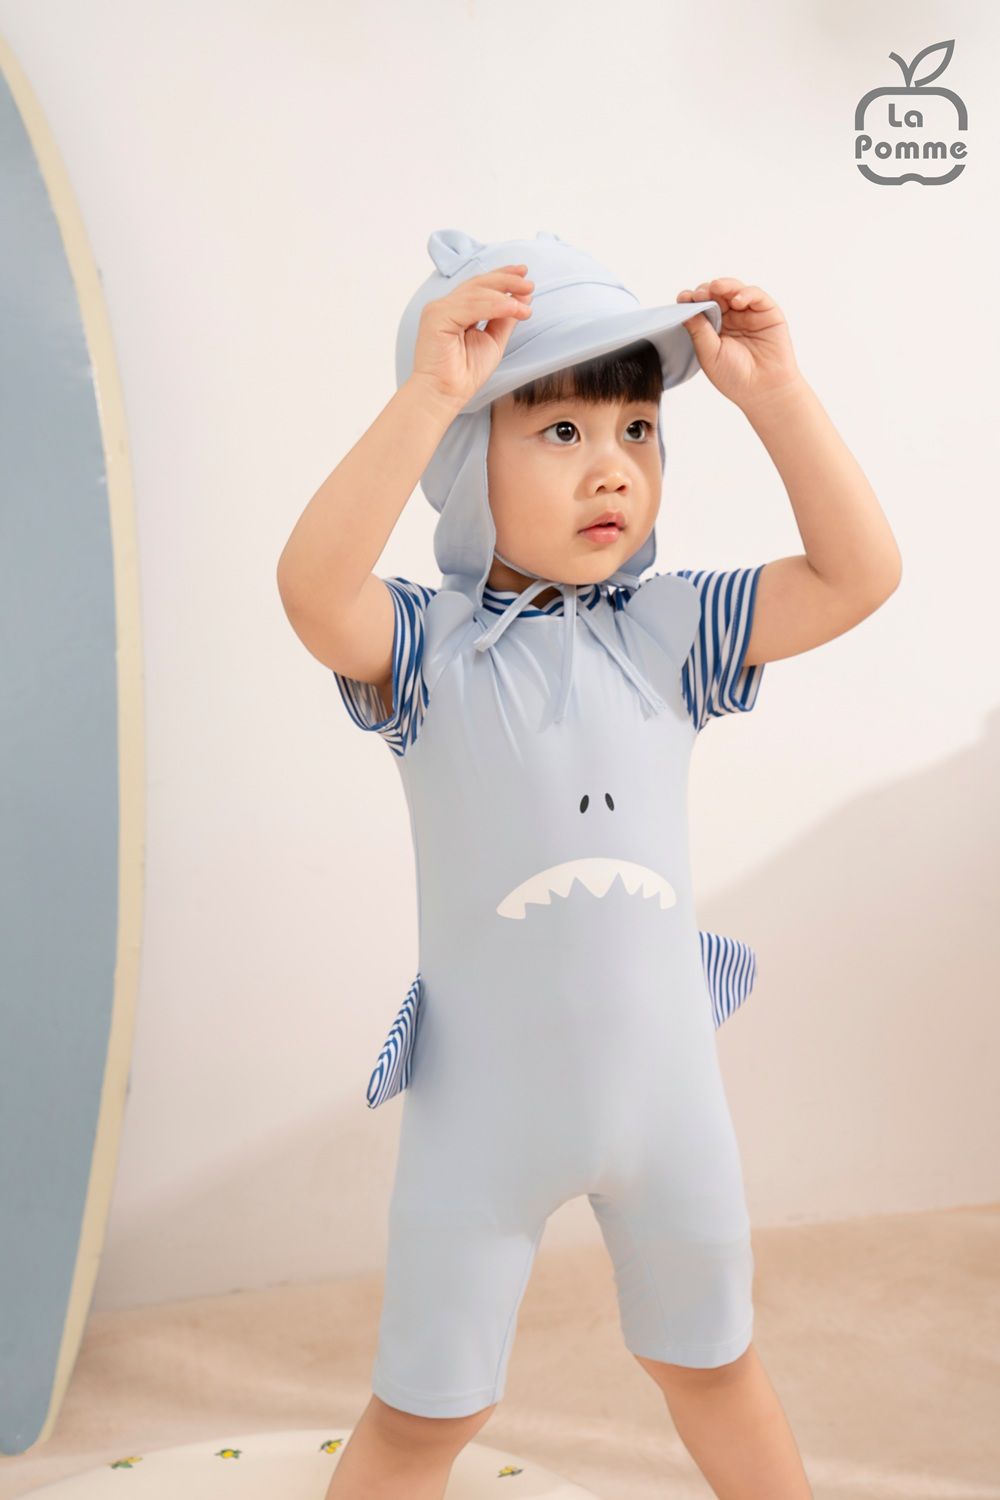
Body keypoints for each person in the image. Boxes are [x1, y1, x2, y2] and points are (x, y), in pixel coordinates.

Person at [277, 229, 902, 1500]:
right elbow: (312, 591)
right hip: (478, 1129)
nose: (612, 465)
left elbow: (859, 574)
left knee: (714, 1364)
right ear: (467, 462)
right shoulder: (428, 651)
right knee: (426, 1412)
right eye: (559, 431)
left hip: (671, 1112)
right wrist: (429, 394)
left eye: (638, 428)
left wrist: (777, 397)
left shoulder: (671, 632)